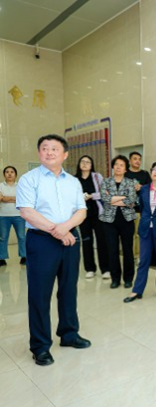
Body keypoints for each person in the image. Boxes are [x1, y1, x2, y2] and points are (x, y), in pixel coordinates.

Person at [16, 134, 90, 366]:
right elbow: (27, 212)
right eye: (44, 148)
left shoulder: (73, 182)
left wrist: (65, 228)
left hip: (70, 239)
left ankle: (69, 334)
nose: (49, 152)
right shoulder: (29, 179)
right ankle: (40, 346)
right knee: (39, 294)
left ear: (65, 154)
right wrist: (57, 231)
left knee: (69, 289)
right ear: (39, 153)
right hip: (41, 241)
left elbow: (81, 211)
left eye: (54, 149)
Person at [124, 162, 156, 303]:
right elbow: (142, 207)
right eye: (154, 169)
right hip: (146, 228)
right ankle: (137, 290)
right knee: (144, 260)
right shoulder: (144, 189)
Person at [99, 155, 137, 289]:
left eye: (121, 165)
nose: (118, 167)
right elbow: (104, 198)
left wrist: (113, 198)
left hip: (127, 220)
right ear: (113, 167)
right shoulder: (106, 181)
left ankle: (128, 278)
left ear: (126, 168)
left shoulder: (130, 182)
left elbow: (131, 200)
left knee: (128, 250)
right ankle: (115, 278)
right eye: (116, 164)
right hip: (109, 221)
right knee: (112, 250)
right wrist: (122, 199)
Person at [75, 155, 109, 279]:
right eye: (82, 161)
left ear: (91, 165)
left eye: (88, 162)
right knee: (86, 241)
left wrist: (91, 196)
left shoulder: (97, 176)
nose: (85, 164)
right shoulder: (74, 179)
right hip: (82, 215)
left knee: (102, 241)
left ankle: (105, 269)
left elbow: (105, 193)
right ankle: (90, 269)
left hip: (97, 213)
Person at [125, 151, 151, 259]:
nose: (138, 161)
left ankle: (139, 256)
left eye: (139, 159)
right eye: (135, 159)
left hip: (140, 210)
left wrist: (142, 187)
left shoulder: (145, 174)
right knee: (128, 235)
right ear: (130, 161)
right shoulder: (125, 174)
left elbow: (152, 188)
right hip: (126, 210)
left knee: (139, 234)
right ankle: (129, 257)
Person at [0, 166, 26, 266]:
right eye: (7, 172)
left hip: (19, 215)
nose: (9, 174)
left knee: (22, 237)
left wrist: (5, 198)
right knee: (3, 237)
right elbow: (0, 198)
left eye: (12, 172)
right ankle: (2, 258)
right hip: (3, 216)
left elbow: (23, 199)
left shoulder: (20, 186)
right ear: (4, 174)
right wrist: (15, 198)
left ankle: (24, 256)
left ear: (15, 174)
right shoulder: (0, 186)